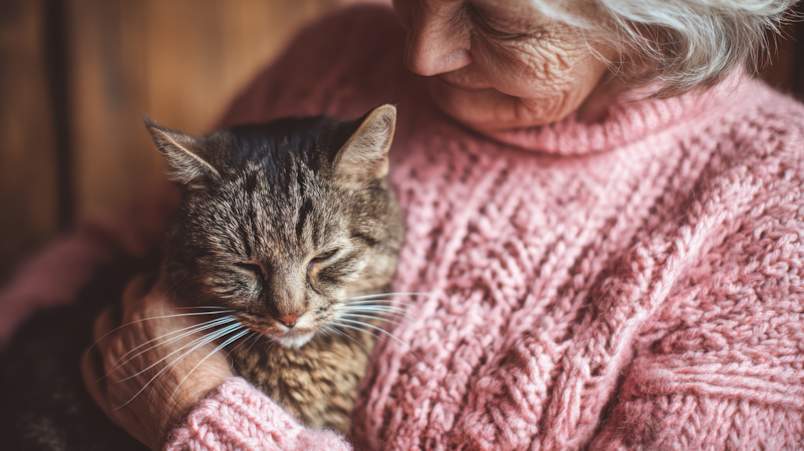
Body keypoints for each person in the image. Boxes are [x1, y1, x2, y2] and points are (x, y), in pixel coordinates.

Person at [2, 0, 801, 449]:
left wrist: (203, 418)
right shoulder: (341, 51)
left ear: (652, 20)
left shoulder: (772, 200)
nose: (417, 56)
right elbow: (126, 236)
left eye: (497, 21)